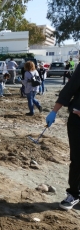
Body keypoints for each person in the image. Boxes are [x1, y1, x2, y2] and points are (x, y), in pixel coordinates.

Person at [45, 63, 80, 210]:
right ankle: (74, 194)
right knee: (77, 159)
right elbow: (69, 89)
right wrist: (54, 111)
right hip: (77, 121)